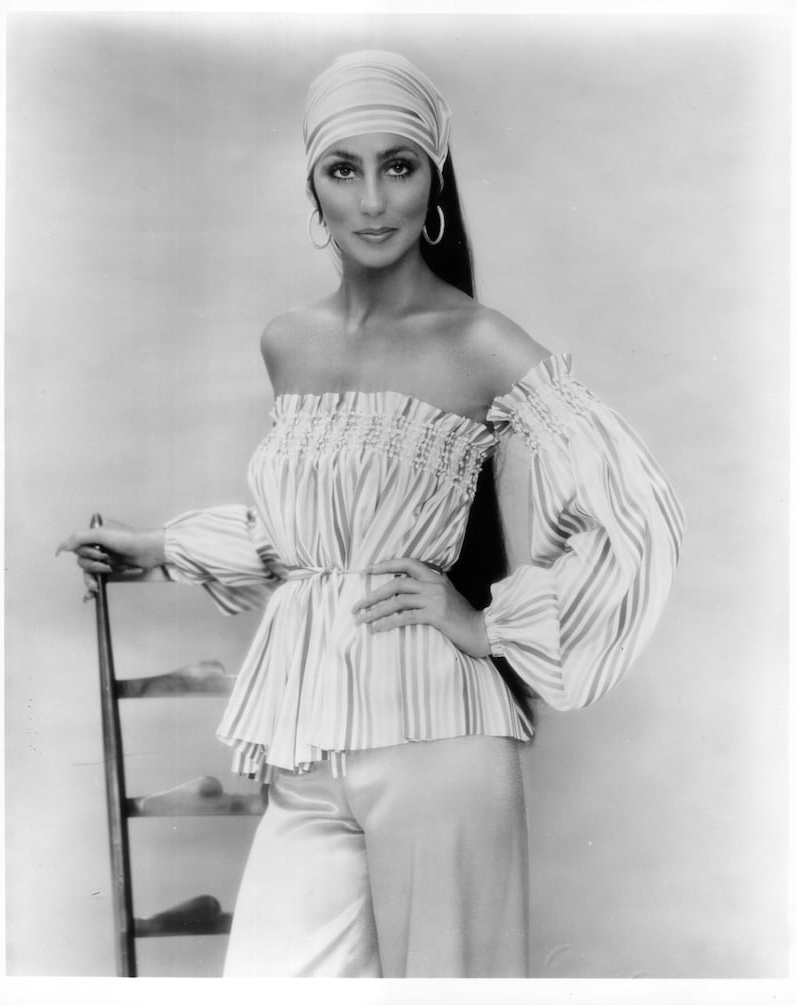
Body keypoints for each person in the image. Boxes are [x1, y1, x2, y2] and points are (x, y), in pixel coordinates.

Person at [58, 50, 684, 978]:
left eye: (399, 165)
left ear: (434, 180)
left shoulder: (479, 340)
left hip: (442, 746)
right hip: (309, 748)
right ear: (313, 188)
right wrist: (157, 546)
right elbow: (312, 541)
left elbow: (637, 514)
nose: (375, 199)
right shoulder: (288, 342)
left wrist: (487, 624)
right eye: (343, 170)